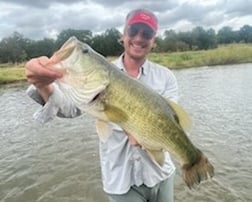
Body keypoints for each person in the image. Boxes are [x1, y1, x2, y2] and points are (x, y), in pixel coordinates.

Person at [26, 9, 178, 202]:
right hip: (121, 183)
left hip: (161, 174)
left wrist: (146, 137)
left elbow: (170, 123)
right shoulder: (99, 73)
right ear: (123, 35)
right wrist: (43, 84)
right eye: (133, 31)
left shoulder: (166, 77)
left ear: (153, 40)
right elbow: (69, 109)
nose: (139, 38)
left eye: (146, 33)